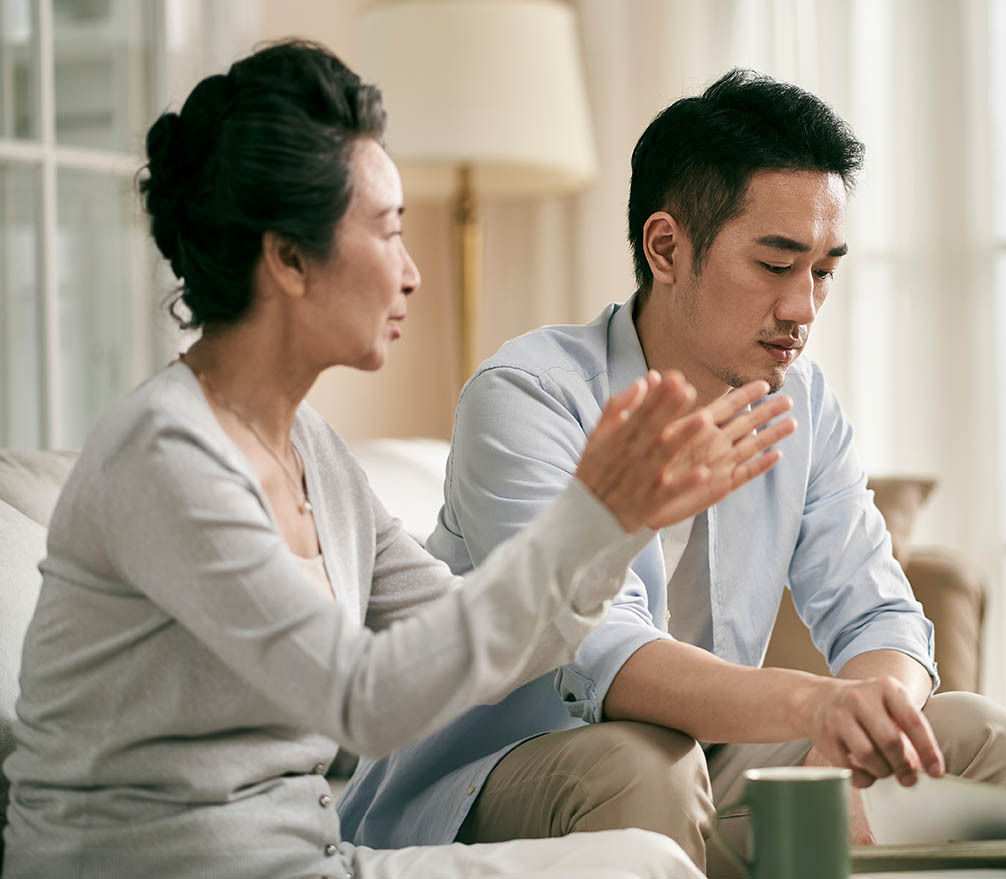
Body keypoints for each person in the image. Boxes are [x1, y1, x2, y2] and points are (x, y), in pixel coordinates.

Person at [0, 43, 797, 879]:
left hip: (311, 860)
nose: (412, 273)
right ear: (289, 258)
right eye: (386, 230)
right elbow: (366, 696)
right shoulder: (165, 458)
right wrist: (591, 514)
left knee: (643, 858)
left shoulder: (311, 450)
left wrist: (619, 526)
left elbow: (476, 643)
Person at [338, 69, 1006, 877]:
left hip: (705, 762)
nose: (804, 308)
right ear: (665, 247)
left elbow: (882, 616)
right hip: (489, 778)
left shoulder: (801, 402)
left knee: (983, 740)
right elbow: (604, 657)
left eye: (823, 270)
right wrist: (818, 703)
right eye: (777, 265)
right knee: (645, 759)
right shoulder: (527, 397)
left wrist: (860, 732)